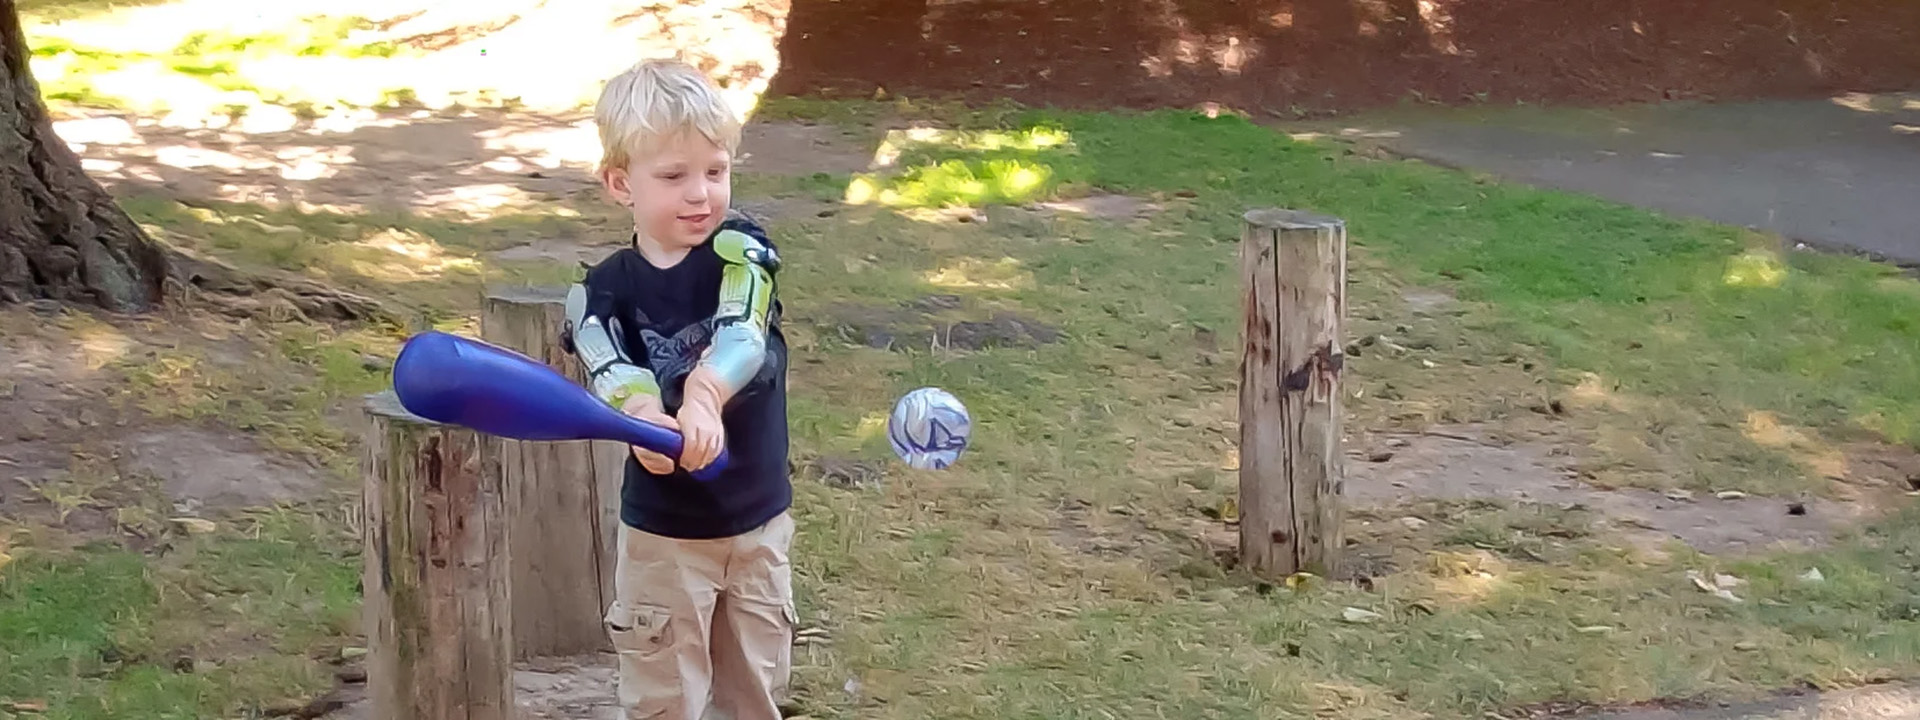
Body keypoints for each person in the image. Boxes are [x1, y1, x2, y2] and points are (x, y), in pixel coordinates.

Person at [561, 57, 793, 720]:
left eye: (716, 171)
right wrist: (644, 421)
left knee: (754, 691)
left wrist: (703, 396)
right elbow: (612, 370)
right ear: (619, 183)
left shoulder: (743, 249)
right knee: (665, 697)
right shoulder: (599, 291)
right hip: (664, 539)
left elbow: (743, 333)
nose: (701, 194)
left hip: (758, 522)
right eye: (673, 176)